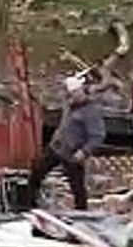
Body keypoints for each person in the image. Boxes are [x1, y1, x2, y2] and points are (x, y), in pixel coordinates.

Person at [24, 76, 106, 211]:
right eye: (70, 94)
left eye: (75, 93)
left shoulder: (91, 111)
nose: (72, 96)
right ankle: (29, 204)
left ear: (82, 91)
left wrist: (84, 151)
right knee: (36, 172)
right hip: (56, 147)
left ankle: (81, 212)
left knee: (77, 186)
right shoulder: (69, 104)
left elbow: (97, 136)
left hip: (73, 152)